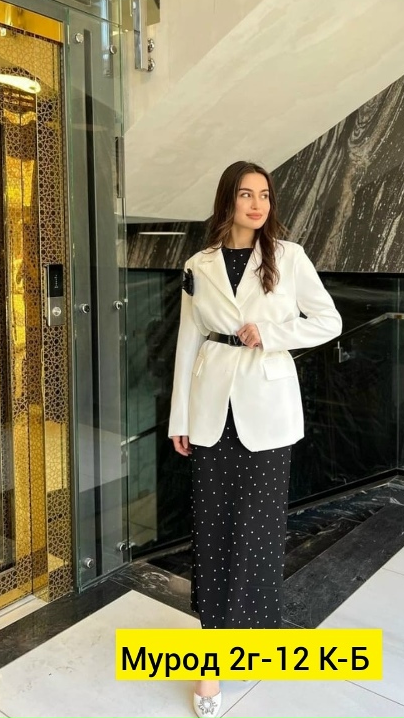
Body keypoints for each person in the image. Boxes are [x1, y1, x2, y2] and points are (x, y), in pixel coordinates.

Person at [169, 161, 342, 718]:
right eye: (246, 194)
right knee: (213, 532)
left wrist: (271, 333)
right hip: (210, 408)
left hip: (266, 408)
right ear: (228, 202)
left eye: (264, 194)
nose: (257, 204)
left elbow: (328, 321)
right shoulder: (199, 265)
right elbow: (188, 342)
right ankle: (211, 661)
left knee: (259, 534)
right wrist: (179, 418)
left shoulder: (288, 257)